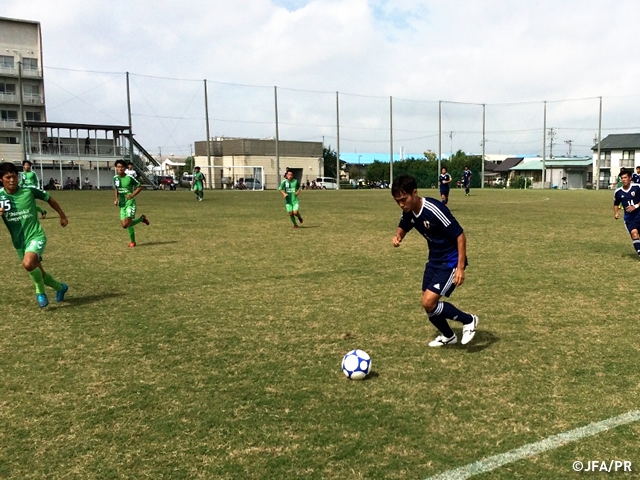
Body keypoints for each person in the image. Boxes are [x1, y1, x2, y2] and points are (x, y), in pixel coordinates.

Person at [391, 174, 478, 347]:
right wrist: (398, 236)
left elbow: (460, 235)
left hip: (450, 260)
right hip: (434, 260)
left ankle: (469, 320)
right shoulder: (409, 211)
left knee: (428, 301)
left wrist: (460, 268)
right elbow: (404, 224)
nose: (401, 204)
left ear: (414, 193)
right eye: (397, 201)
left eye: (403, 199)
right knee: (427, 303)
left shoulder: (434, 209)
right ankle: (448, 336)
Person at [0, 162, 69, 308]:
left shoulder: (29, 190)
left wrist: (62, 216)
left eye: (14, 177)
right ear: (1, 179)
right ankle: (61, 287)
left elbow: (49, 198)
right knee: (39, 272)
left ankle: (40, 292)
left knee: (28, 263)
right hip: (19, 241)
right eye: (8, 177)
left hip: (35, 236)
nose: (12, 180)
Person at [113, 159, 149, 247]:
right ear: (116, 168)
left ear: (125, 168)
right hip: (122, 204)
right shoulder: (115, 178)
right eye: (118, 167)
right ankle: (141, 219)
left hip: (130, 203)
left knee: (128, 223)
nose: (120, 168)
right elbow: (116, 189)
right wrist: (116, 199)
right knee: (124, 225)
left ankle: (133, 242)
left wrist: (132, 195)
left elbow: (139, 187)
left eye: (122, 167)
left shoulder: (129, 177)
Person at [613, 168, 640, 259]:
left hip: (639, 214)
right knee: (634, 234)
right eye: (622, 178)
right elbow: (616, 204)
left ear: (630, 178)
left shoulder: (637, 187)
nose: (623, 179)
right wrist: (616, 213)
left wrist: (635, 206)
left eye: (625, 177)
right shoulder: (618, 192)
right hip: (629, 218)